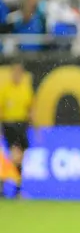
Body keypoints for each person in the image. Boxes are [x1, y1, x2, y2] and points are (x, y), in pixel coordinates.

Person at [0, 62, 35, 199]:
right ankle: (14, 189)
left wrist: (35, 127)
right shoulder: (5, 89)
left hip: (22, 125)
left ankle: (9, 188)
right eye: (15, 72)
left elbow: (30, 108)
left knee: (19, 158)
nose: (17, 75)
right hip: (9, 124)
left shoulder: (25, 89)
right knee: (16, 156)